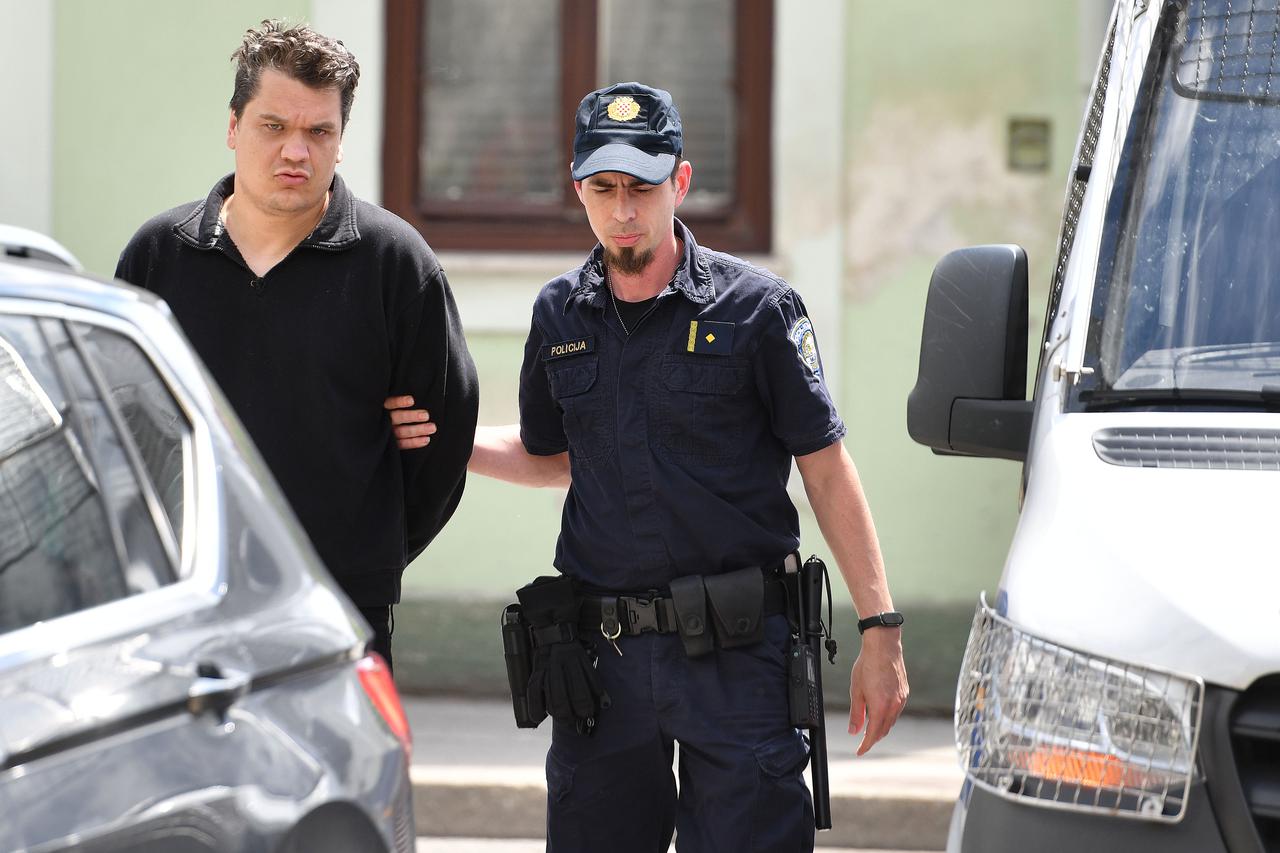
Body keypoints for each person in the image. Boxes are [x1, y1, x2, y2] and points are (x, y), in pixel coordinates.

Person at [396, 81, 908, 852]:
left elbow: (826, 467)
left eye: (642, 186)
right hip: (602, 661)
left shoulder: (757, 311)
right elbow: (555, 457)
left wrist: (880, 628)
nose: (624, 208)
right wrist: (450, 441)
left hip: (738, 658)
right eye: (604, 187)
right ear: (578, 188)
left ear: (681, 182)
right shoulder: (559, 314)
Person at [116, 20, 478, 670]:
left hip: (338, 610)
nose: (296, 151)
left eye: (319, 132)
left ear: (340, 141)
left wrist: (367, 552)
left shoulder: (396, 264)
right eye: (273, 126)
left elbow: (442, 445)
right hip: (181, 606)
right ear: (233, 126)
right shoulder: (158, 256)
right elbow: (123, 430)